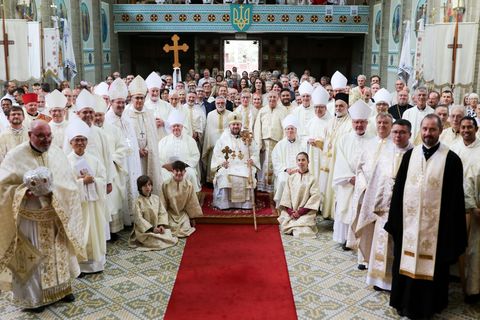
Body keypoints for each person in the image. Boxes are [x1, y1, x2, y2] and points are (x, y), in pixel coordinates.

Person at [385, 114, 467, 319]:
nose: (428, 134)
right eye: (424, 129)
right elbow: (398, 192)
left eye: (432, 130)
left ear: (440, 131)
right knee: (405, 262)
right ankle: (403, 301)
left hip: (437, 230)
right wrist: (395, 222)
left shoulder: (452, 160)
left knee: (433, 267)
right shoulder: (409, 156)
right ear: (420, 131)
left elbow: (455, 201)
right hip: (408, 226)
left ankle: (430, 304)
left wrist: (450, 232)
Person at [0, 121, 85, 312]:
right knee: (33, 259)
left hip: (55, 215)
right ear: (30, 134)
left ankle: (62, 290)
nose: (46, 140)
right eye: (40, 136)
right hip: (30, 219)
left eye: (49, 136)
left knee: (59, 255)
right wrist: (24, 192)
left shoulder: (56, 153)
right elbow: (3, 188)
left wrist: (57, 193)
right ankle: (34, 299)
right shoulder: (15, 155)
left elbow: (68, 182)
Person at [355, 119, 413, 291]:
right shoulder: (385, 153)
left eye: (402, 132)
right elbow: (376, 181)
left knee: (398, 245)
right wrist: (372, 205)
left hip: (404, 211)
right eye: (395, 132)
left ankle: (397, 281)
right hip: (384, 209)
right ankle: (380, 281)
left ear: (409, 134)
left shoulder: (415, 155)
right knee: (382, 242)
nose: (398, 136)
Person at [66, 120, 107, 275]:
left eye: (83, 140)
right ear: (71, 142)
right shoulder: (66, 161)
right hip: (77, 208)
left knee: (95, 232)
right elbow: (64, 186)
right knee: (80, 233)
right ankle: (79, 266)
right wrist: (82, 182)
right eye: (77, 140)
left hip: (93, 204)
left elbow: (103, 177)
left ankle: (96, 263)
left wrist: (95, 180)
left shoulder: (94, 159)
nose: (80, 143)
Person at [332, 100, 373, 248]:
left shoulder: (373, 140)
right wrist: (350, 177)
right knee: (346, 208)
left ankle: (361, 239)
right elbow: (340, 160)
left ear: (367, 123)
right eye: (356, 122)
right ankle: (345, 239)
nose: (359, 125)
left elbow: (374, 162)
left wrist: (363, 179)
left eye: (362, 122)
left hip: (365, 184)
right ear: (352, 123)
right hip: (348, 181)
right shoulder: (344, 139)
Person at [105, 78, 142, 229]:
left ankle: (133, 218)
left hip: (131, 160)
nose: (120, 105)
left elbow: (132, 141)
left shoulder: (127, 118)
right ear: (111, 102)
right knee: (119, 192)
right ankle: (121, 223)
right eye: (117, 102)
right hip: (118, 163)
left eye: (122, 102)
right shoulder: (107, 121)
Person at [211, 113, 260, 209]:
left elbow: (255, 151)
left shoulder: (247, 137)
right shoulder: (223, 139)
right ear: (229, 125)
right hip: (228, 166)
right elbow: (217, 154)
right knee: (224, 175)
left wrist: (252, 160)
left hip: (244, 165)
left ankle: (246, 204)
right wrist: (222, 163)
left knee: (248, 175)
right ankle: (225, 204)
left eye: (237, 124)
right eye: (233, 124)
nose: (235, 126)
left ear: (241, 125)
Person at [125, 75, 162, 195]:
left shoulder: (149, 113)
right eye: (137, 98)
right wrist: (136, 150)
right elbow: (125, 138)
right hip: (133, 156)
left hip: (148, 154)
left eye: (141, 98)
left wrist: (146, 148)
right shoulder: (126, 114)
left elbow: (153, 136)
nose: (139, 101)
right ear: (131, 98)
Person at [321, 92, 352, 219]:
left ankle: (335, 215)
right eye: (336, 106)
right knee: (327, 186)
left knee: (336, 188)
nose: (338, 108)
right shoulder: (330, 122)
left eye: (341, 106)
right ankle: (326, 212)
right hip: (327, 161)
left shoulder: (350, 124)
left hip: (339, 161)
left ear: (347, 107)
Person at [129, 175, 178, 251]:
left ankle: (159, 234)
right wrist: (152, 229)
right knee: (157, 242)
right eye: (145, 186)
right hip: (145, 231)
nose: (148, 187)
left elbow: (162, 213)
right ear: (140, 188)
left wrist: (161, 225)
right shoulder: (137, 202)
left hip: (157, 228)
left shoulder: (156, 198)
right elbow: (138, 219)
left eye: (149, 185)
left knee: (168, 235)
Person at [278, 152, 320, 238]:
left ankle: (295, 226)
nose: (301, 162)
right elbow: (286, 196)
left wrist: (300, 212)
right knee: (287, 221)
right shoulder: (291, 178)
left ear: (308, 162)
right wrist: (290, 212)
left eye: (303, 160)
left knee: (303, 227)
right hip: (291, 211)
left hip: (305, 212)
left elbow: (314, 197)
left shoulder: (312, 179)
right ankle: (293, 224)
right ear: (296, 162)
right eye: (299, 160)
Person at [254, 91, 288, 193]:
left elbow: (285, 127)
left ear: (278, 99)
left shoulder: (283, 111)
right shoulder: (262, 110)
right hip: (264, 142)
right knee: (264, 164)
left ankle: (274, 186)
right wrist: (259, 143)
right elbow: (257, 128)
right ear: (267, 99)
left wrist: (283, 143)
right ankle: (262, 186)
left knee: (275, 164)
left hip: (277, 142)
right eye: (270, 97)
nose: (272, 99)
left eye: (274, 97)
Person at [158, 110, 201, 192]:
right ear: (170, 128)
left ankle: (190, 199)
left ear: (182, 127)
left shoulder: (190, 140)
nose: (176, 128)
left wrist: (184, 165)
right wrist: (165, 166)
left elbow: (195, 156)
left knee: (191, 173)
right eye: (174, 126)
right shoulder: (163, 141)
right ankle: (167, 199)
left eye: (178, 126)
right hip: (169, 170)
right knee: (162, 174)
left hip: (185, 168)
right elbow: (159, 157)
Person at [272, 115, 306, 207]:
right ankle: (283, 205)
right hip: (285, 171)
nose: (290, 131)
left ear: (296, 130)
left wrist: (299, 169)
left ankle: (299, 205)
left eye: (292, 129)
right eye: (288, 129)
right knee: (283, 180)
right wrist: (286, 169)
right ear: (285, 131)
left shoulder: (302, 144)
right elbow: (276, 160)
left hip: (299, 170)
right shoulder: (280, 145)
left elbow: (306, 159)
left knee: (303, 180)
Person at [162, 161, 203, 237]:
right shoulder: (166, 184)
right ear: (172, 171)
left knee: (185, 229)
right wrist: (162, 220)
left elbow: (191, 202)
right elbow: (163, 202)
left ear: (185, 171)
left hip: (182, 214)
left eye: (181, 171)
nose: (179, 173)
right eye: (177, 171)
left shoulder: (189, 185)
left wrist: (192, 218)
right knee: (171, 228)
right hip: (171, 214)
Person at [306, 85, 331, 189]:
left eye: (321, 107)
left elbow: (333, 140)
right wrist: (308, 141)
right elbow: (304, 136)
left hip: (324, 155)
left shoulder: (331, 121)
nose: (318, 109)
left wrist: (320, 142)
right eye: (316, 107)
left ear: (325, 107)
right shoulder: (311, 121)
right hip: (312, 154)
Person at [202, 96, 231, 183]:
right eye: (218, 103)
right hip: (213, 145)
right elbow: (208, 131)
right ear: (215, 104)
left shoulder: (230, 114)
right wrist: (208, 144)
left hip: (227, 146)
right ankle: (211, 181)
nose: (220, 105)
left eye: (222, 103)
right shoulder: (210, 115)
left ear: (225, 104)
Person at [144, 71, 173, 141]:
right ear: (148, 91)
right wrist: (152, 125)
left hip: (165, 139)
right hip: (150, 140)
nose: (155, 93)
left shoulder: (167, 106)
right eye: (153, 91)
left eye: (157, 91)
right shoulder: (144, 106)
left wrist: (164, 123)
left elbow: (173, 122)